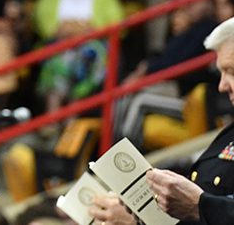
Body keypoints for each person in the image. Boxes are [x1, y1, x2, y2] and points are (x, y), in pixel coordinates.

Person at [88, 16, 234, 225]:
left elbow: (202, 209)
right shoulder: (228, 135)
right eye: (220, 73)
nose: (222, 85)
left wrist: (198, 206)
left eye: (230, 71)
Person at [33, 0, 125, 111]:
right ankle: (52, 117)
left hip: (93, 48)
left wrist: (72, 27)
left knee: (87, 55)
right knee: (61, 57)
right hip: (59, 46)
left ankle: (72, 116)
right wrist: (84, 27)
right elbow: (46, 27)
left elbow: (117, 25)